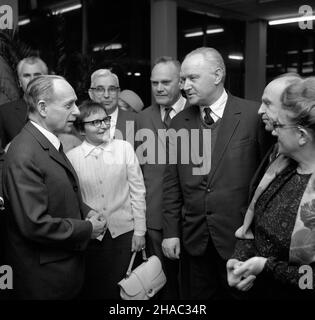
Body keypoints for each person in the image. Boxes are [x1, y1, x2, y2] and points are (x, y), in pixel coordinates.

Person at [161, 47, 269, 300]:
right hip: (194, 241)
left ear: (218, 75)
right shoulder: (178, 123)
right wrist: (171, 232)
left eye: (192, 78)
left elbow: (267, 178)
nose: (185, 86)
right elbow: (172, 183)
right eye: (183, 79)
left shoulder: (253, 117)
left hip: (241, 240)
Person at [2, 75, 106, 300]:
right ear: (42, 107)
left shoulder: (48, 142)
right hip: (45, 281)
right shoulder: (24, 153)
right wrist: (87, 229)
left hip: (63, 273)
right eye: (69, 105)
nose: (77, 111)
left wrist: (86, 210)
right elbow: (34, 224)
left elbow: (61, 191)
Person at [227, 77, 315, 299]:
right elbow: (255, 224)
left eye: (279, 126)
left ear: (302, 136)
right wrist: (241, 262)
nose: (274, 133)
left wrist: (266, 267)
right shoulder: (281, 167)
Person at [66, 100, 146, 299]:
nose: (103, 125)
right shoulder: (71, 158)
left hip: (125, 234)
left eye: (105, 119)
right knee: (96, 291)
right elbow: (73, 199)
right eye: (95, 122)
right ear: (81, 130)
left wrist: (140, 231)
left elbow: (137, 191)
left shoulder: (124, 148)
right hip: (91, 238)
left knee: (128, 293)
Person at [137, 56, 188, 299]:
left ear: (180, 82)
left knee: (191, 284)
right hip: (154, 217)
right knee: (161, 285)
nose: (159, 88)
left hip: (192, 218)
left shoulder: (198, 113)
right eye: (154, 82)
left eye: (166, 82)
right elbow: (135, 171)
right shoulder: (142, 118)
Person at [249, 73, 302, 194]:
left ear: (291, 108)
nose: (260, 110)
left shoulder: (301, 156)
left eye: (267, 103)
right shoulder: (273, 143)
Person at [0, 56, 48, 149]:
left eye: (37, 75)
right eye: (27, 75)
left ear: (46, 79)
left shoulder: (58, 107)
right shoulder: (5, 113)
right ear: (20, 82)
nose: (32, 79)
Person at [88, 69, 137, 147]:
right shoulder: (78, 123)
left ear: (118, 92)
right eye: (100, 89)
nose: (106, 95)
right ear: (91, 94)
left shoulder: (136, 121)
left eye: (112, 89)